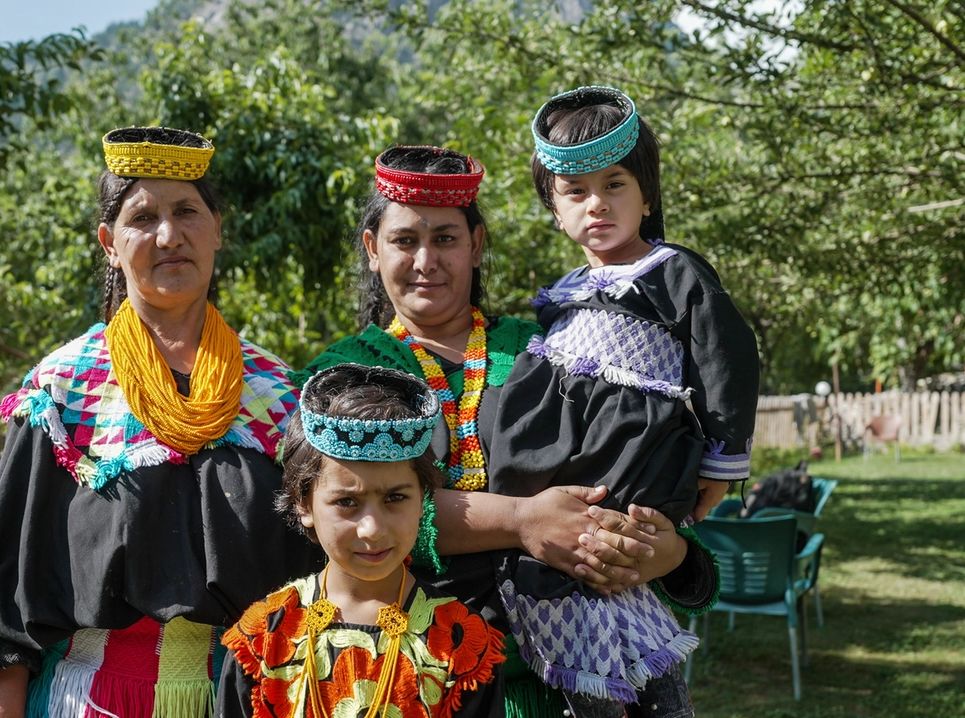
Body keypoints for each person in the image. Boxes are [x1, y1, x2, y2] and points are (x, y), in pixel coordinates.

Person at [299, 145, 720, 717]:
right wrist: (522, 521)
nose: (426, 260)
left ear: (475, 245)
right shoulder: (341, 377)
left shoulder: (558, 348)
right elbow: (348, 515)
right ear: (373, 250)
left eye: (446, 238)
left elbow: (634, 455)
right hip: (421, 680)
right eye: (405, 241)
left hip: (577, 670)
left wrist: (665, 550)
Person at [0, 126, 316, 718]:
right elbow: (5, 599)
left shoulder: (275, 395)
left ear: (217, 229)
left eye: (188, 212)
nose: (169, 235)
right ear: (109, 243)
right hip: (89, 700)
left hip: (246, 698)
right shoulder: (64, 391)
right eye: (142, 217)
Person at [488, 86, 761, 715]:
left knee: (628, 605)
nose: (598, 205)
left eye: (615, 185)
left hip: (636, 477)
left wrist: (720, 467)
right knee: (586, 644)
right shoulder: (565, 293)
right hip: (571, 491)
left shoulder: (674, 273)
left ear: (648, 194)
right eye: (576, 192)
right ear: (554, 209)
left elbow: (727, 361)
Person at [218, 364, 505, 718]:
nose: (371, 529)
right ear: (303, 503)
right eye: (347, 502)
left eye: (395, 498)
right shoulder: (263, 638)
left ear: (423, 501)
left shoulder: (460, 642)